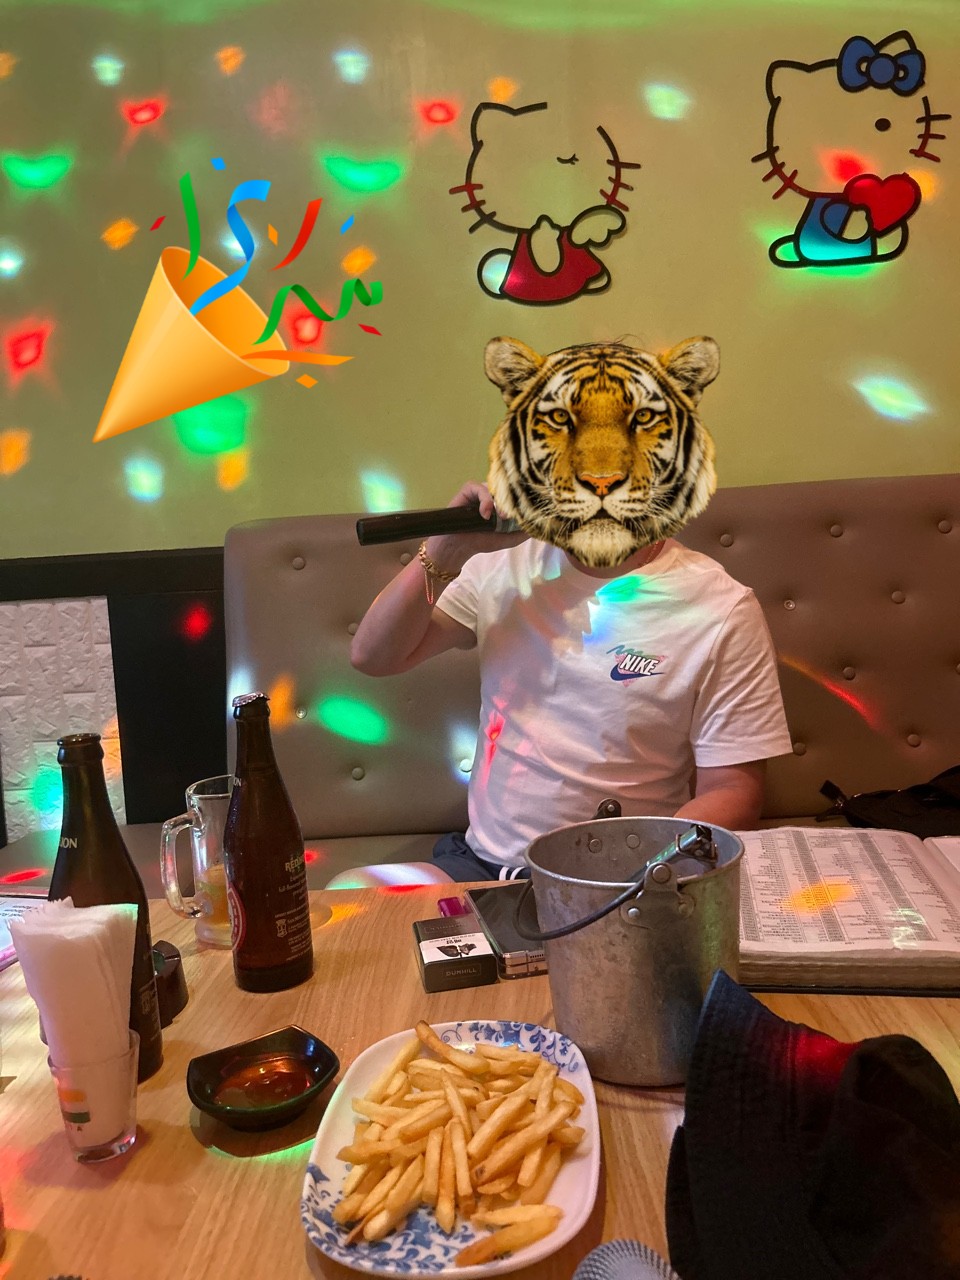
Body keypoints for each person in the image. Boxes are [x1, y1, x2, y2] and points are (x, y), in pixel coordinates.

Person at [350, 481, 793, 882]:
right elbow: (373, 656)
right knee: (352, 894)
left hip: (622, 878)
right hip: (482, 868)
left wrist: (642, 875)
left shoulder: (720, 607)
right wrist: (445, 551)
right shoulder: (502, 563)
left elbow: (733, 790)